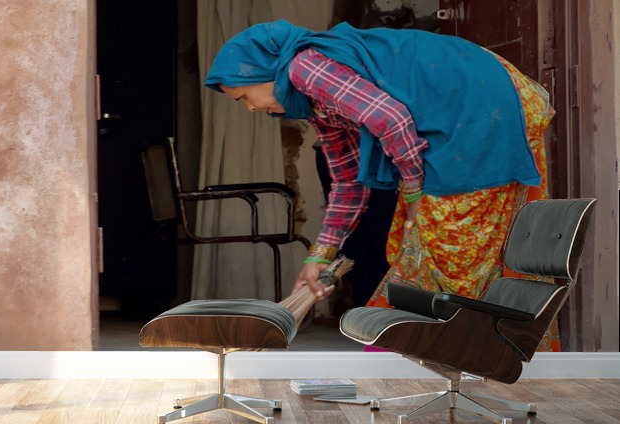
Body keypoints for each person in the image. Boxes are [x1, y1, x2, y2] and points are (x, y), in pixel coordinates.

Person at [204, 20, 560, 350]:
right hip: (474, 103)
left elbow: (390, 119)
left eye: (243, 97)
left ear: (264, 72)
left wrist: (415, 194)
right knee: (414, 242)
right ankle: (432, 349)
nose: (250, 109)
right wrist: (320, 255)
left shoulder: (304, 68)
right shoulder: (317, 103)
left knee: (450, 244)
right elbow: (347, 181)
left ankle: (476, 349)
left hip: (480, 102)